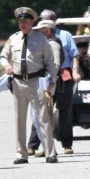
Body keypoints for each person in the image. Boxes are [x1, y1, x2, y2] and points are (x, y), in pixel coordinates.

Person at [0, 7, 58, 164]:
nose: (22, 23)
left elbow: (50, 62)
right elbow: (3, 57)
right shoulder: (13, 39)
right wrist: (6, 65)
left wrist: (53, 81)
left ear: (32, 22)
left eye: (26, 21)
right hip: (18, 82)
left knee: (43, 118)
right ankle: (21, 154)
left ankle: (50, 153)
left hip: (35, 82)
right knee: (19, 120)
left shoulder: (41, 39)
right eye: (20, 21)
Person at [27, 9, 81, 155]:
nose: (43, 21)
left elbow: (74, 55)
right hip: (45, 76)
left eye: (46, 19)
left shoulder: (65, 35)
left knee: (64, 111)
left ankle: (67, 145)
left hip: (63, 74)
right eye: (41, 19)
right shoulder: (38, 36)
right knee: (41, 110)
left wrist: (75, 71)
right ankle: (33, 145)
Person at [26, 20, 63, 157]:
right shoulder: (48, 43)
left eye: (39, 30)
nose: (36, 33)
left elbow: (55, 64)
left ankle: (49, 149)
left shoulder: (52, 44)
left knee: (41, 117)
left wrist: (49, 83)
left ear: (47, 31)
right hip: (43, 84)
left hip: (44, 85)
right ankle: (47, 148)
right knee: (38, 117)